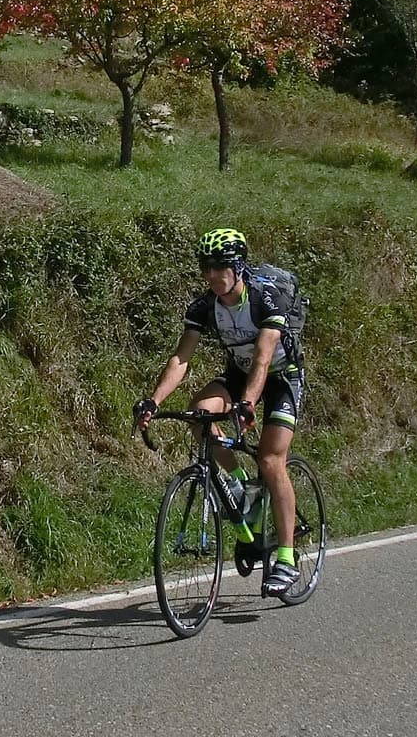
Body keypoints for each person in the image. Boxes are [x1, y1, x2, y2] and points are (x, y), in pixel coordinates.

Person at [136, 227, 308, 597]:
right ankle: (243, 489)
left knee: (271, 459)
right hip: (238, 373)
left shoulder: (266, 299)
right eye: (206, 267)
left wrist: (247, 405)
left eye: (220, 267)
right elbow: (181, 358)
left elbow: (263, 360)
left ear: (239, 266)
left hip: (281, 377)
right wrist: (154, 401)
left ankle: (287, 557)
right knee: (200, 416)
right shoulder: (204, 307)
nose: (212, 275)